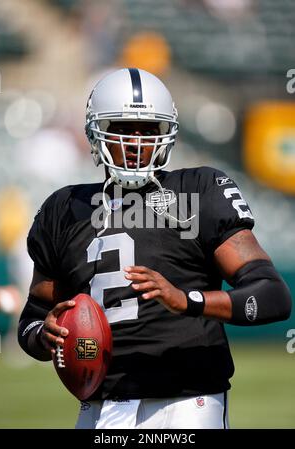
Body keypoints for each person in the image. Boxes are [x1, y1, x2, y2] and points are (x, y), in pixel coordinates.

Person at [18, 68, 292, 429]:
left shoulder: (198, 190)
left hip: (187, 402)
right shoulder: (64, 208)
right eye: (121, 128)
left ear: (167, 134)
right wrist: (45, 334)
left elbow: (273, 297)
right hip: (101, 406)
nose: (135, 142)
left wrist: (188, 301)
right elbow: (33, 319)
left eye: (148, 130)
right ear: (96, 131)